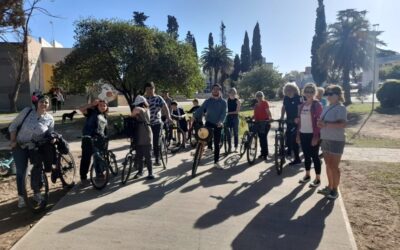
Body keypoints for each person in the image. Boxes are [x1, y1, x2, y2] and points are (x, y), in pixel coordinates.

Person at [9, 94, 54, 208]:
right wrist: (13, 140)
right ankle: (21, 196)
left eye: (46, 102)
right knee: (21, 171)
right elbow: (13, 126)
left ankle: (36, 193)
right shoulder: (27, 111)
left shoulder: (50, 118)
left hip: (35, 147)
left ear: (48, 105)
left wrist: (52, 139)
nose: (44, 104)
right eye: (42, 101)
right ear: (37, 103)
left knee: (37, 169)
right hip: (19, 145)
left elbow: (50, 134)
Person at [317, 85, 347, 200]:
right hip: (326, 139)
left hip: (336, 140)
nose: (328, 96)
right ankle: (329, 187)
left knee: (334, 166)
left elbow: (343, 124)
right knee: (328, 165)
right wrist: (320, 124)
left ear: (338, 95)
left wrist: (326, 124)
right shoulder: (327, 107)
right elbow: (323, 122)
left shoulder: (341, 108)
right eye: (327, 94)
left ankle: (335, 190)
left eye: (331, 94)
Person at [194, 84, 227, 169]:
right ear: (212, 90)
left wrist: (220, 122)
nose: (215, 91)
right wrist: (194, 115)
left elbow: (224, 113)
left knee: (217, 143)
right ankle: (202, 151)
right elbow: (201, 109)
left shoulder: (223, 102)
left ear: (220, 91)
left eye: (217, 89)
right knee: (202, 138)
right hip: (209, 122)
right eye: (214, 89)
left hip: (218, 124)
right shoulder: (208, 101)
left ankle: (216, 162)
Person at [296, 83, 323, 187]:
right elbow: (300, 121)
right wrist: (298, 134)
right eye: (307, 91)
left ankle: (318, 178)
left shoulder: (317, 105)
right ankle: (307, 175)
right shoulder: (302, 105)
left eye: (311, 91)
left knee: (315, 156)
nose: (308, 93)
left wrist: (316, 136)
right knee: (306, 156)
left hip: (313, 134)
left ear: (314, 93)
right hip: (303, 133)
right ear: (304, 92)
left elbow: (319, 121)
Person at [79, 99, 109, 184]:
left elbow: (104, 129)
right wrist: (91, 104)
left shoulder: (105, 116)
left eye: (104, 105)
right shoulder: (92, 112)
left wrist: (106, 138)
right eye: (100, 105)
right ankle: (83, 177)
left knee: (99, 157)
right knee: (86, 158)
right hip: (88, 138)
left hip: (99, 139)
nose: (103, 107)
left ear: (107, 107)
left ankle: (99, 174)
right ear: (97, 106)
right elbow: (81, 109)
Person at [144, 82, 173, 166]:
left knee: (156, 142)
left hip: (157, 123)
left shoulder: (158, 98)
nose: (149, 91)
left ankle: (157, 158)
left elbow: (165, 108)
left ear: (154, 89)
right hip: (147, 123)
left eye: (150, 89)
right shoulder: (144, 99)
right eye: (147, 89)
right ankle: (147, 158)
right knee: (146, 142)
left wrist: (169, 117)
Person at [131, 95, 154, 180]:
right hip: (140, 133)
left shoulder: (140, 109)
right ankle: (140, 172)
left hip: (144, 133)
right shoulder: (145, 110)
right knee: (139, 155)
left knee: (147, 155)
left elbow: (133, 113)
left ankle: (150, 172)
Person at [281, 82, 303, 165]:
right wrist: (282, 117)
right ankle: (289, 151)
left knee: (294, 139)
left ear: (295, 90)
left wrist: (298, 117)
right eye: (287, 90)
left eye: (290, 90)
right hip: (289, 120)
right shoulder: (286, 98)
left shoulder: (298, 97)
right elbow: (284, 108)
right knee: (288, 135)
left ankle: (297, 159)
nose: (288, 91)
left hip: (296, 120)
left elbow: (299, 107)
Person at [253, 91, 272, 160]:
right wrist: (252, 118)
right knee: (261, 139)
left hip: (265, 123)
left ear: (262, 96)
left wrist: (270, 118)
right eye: (258, 96)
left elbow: (267, 111)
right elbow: (255, 114)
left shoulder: (265, 103)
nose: (259, 97)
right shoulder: (256, 105)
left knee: (263, 138)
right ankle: (262, 153)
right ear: (256, 97)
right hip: (258, 123)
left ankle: (265, 153)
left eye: (260, 95)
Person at [226, 88, 241, 152]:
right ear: (229, 93)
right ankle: (229, 147)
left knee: (235, 133)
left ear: (235, 93)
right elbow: (225, 108)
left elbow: (237, 111)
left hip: (235, 117)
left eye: (234, 93)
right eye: (231, 92)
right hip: (228, 118)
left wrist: (228, 113)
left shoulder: (237, 101)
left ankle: (236, 146)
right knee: (229, 133)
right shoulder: (227, 100)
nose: (232, 94)